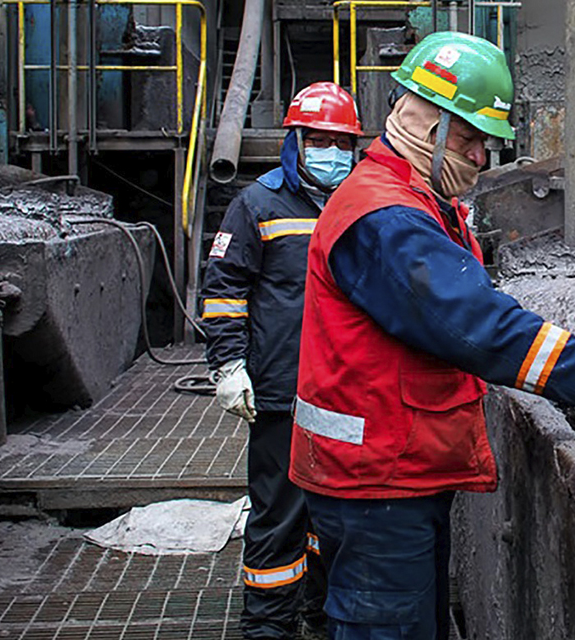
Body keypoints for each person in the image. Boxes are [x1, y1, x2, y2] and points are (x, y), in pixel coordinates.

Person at [289, 32, 575, 640]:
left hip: (387, 473)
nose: (482, 158)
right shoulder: (388, 220)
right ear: (431, 127)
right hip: (377, 484)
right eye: (472, 139)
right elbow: (482, 329)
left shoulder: (412, 200)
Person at [200, 81, 362, 640]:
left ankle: (322, 612)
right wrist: (228, 365)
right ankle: (268, 626)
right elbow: (224, 290)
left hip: (345, 392)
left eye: (341, 142)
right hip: (282, 390)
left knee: (334, 513)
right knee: (278, 515)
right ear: (294, 141)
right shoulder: (258, 204)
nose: (332, 152)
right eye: (318, 139)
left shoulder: (362, 200)